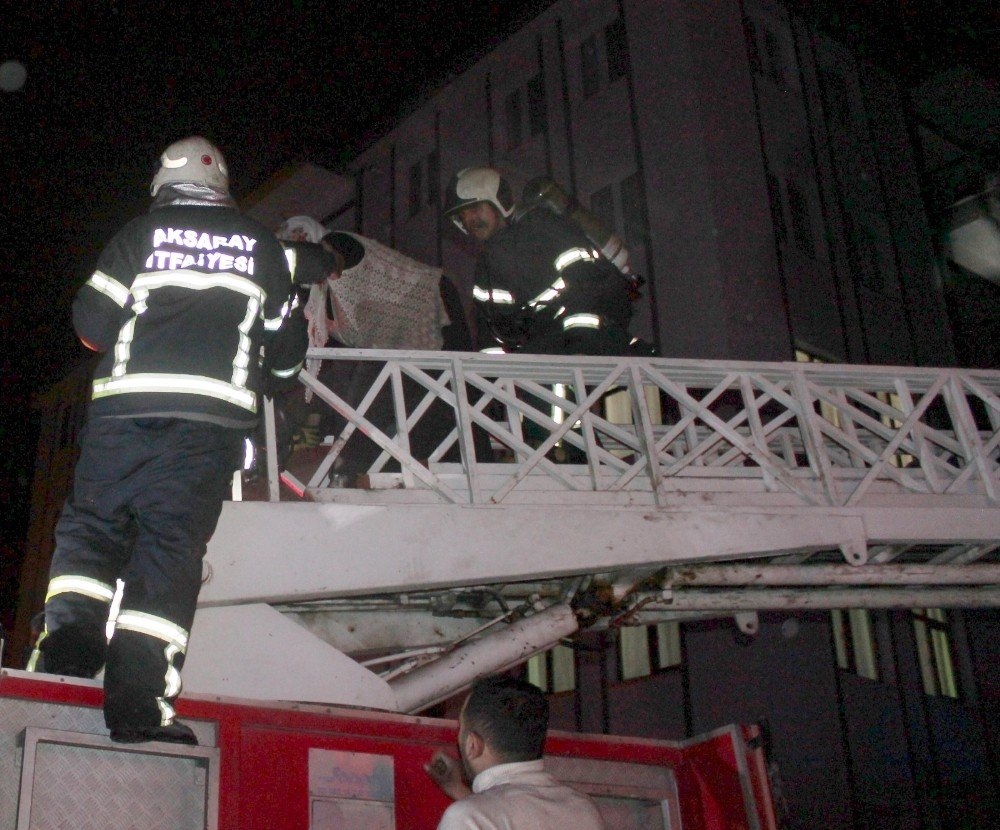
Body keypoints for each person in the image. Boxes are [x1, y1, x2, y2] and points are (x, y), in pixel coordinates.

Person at [29, 136, 307, 745]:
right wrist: (274, 378)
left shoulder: (139, 235)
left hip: (122, 421)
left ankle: (70, 641)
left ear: (162, 182)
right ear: (223, 186)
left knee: (94, 527)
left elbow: (91, 330)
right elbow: (287, 357)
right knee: (167, 558)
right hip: (206, 436)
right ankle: (135, 707)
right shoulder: (262, 247)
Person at [275, 217, 480, 481]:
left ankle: (351, 469)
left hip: (436, 306)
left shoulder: (337, 244)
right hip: (395, 341)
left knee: (457, 395)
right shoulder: (319, 294)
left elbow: (336, 258)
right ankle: (354, 468)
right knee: (389, 399)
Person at [443, 167, 634, 357]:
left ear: (498, 203)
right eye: (462, 215)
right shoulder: (486, 270)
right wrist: (491, 379)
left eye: (475, 209)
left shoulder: (543, 229)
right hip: (550, 352)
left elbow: (587, 285)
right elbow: (491, 333)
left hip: (596, 341)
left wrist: (580, 349)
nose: (469, 220)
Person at [425, 675, 606, 829]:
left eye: (461, 730)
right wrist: (457, 789)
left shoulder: (466, 818)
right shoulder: (584, 809)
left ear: (473, 745)